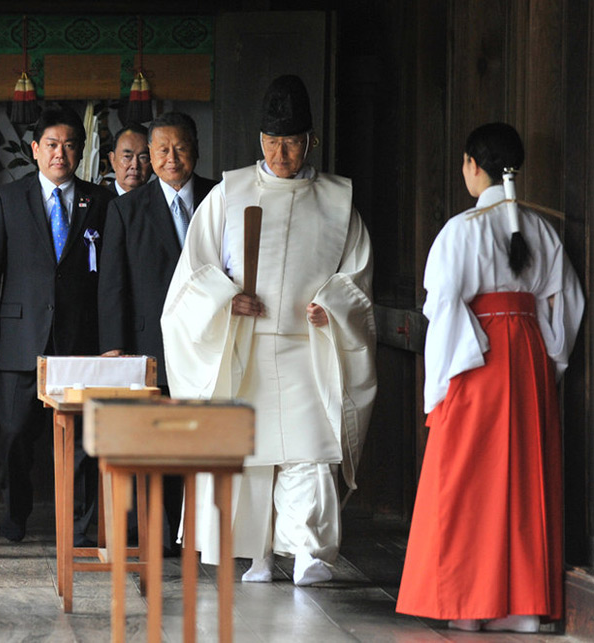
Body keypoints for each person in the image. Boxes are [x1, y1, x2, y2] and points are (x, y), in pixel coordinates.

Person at [161, 75, 377, 586]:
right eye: (275, 143)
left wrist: (333, 305)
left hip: (308, 347)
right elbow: (195, 271)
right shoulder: (229, 193)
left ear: (310, 141)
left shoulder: (338, 199)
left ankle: (309, 554)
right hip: (244, 348)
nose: (283, 154)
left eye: (294, 142)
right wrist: (224, 299)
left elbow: (358, 273)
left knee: (309, 450)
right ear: (261, 140)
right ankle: (255, 554)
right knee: (249, 455)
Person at [396, 123, 584, 633]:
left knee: (467, 481)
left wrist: (441, 384)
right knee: (526, 475)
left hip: (476, 357)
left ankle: (469, 608)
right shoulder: (541, 230)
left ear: (472, 166)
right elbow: (565, 302)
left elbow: (444, 307)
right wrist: (552, 360)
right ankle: (522, 610)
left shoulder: (462, 230)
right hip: (527, 358)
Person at [0, 106, 113, 544]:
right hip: (20, 336)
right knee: (15, 431)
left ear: (80, 152)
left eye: (70, 145)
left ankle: (76, 525)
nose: (61, 153)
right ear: (35, 148)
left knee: (80, 439)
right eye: (52, 144)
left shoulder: (100, 201)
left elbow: (109, 276)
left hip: (81, 337)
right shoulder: (6, 198)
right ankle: (16, 513)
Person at [99, 111, 217, 551]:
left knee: (201, 441)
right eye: (162, 149)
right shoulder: (126, 210)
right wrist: (114, 346)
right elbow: (113, 286)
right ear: (149, 155)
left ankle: (204, 532)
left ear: (196, 149)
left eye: (180, 147)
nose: (172, 158)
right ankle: (164, 534)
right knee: (160, 442)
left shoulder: (218, 197)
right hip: (152, 347)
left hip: (210, 345)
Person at [107, 123, 152, 195]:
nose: (135, 165)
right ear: (112, 159)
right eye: (127, 156)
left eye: (143, 157)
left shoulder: (163, 201)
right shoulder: (98, 203)